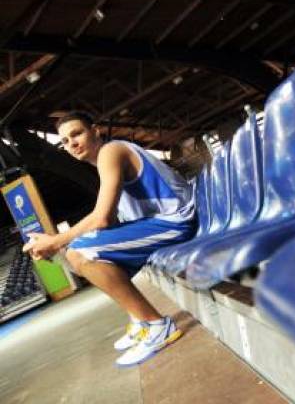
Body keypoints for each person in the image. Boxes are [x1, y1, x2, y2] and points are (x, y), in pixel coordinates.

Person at [22, 111, 197, 367]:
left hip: (178, 220)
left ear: (95, 131)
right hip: (163, 223)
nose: (71, 143)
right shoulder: (103, 162)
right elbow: (110, 222)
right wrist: (60, 244)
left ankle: (157, 325)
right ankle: (140, 320)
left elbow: (102, 218)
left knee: (82, 252)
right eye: (65, 141)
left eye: (77, 134)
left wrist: (56, 241)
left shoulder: (111, 152)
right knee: (78, 250)